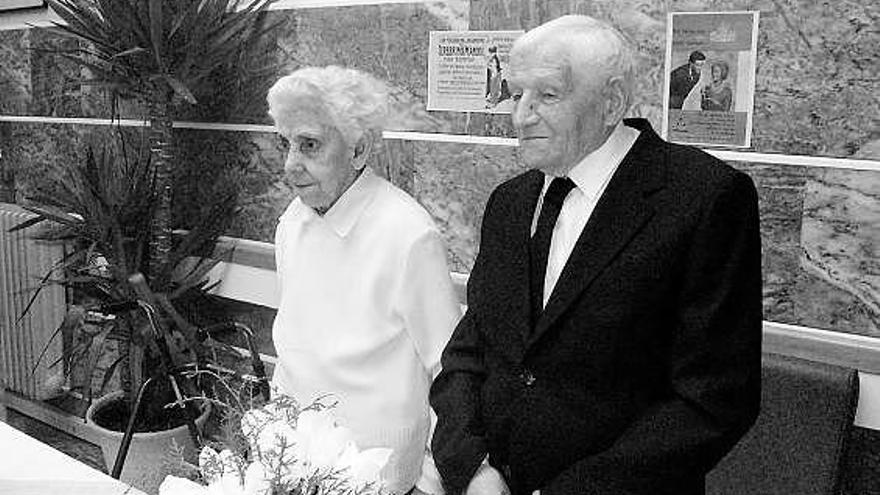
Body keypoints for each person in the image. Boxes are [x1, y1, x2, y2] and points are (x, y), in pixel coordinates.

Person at [430, 15, 762, 495]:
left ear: (610, 103)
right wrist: (473, 468)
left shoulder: (703, 199)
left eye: (546, 95)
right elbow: (470, 351)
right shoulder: (510, 201)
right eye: (516, 94)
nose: (521, 115)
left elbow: (713, 399)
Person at [267, 66, 461, 495]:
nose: (290, 165)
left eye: (310, 145)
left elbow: (449, 368)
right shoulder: (292, 220)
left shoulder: (408, 233)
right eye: (286, 144)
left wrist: (430, 480)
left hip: (379, 477)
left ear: (359, 150)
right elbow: (295, 341)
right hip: (293, 457)